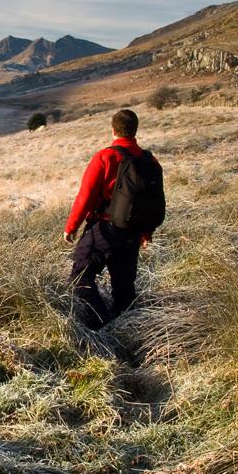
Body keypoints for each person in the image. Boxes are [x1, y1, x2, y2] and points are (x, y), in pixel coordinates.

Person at [63, 109, 164, 329]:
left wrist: (71, 227)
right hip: (133, 232)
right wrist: (146, 233)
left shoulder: (105, 156)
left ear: (113, 130)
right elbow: (150, 200)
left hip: (104, 230)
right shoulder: (150, 160)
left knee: (81, 277)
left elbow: (86, 196)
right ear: (135, 130)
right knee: (124, 287)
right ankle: (129, 331)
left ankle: (101, 328)